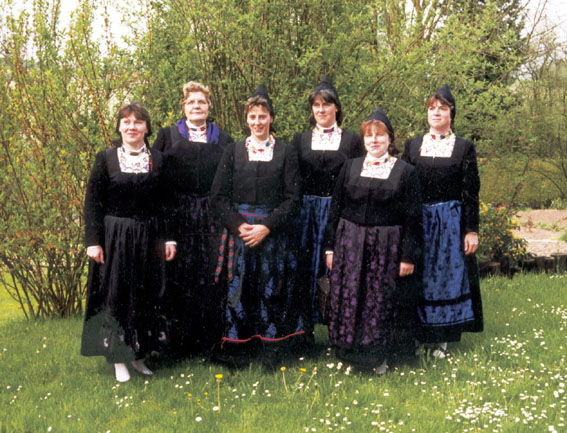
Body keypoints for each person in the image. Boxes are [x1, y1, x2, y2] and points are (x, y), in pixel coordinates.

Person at [210, 85, 306, 365]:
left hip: (273, 234)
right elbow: (218, 196)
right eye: (252, 116)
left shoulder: (286, 152)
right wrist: (239, 226)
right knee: (238, 291)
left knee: (271, 290)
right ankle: (238, 350)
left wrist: (266, 227)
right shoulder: (232, 151)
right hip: (239, 234)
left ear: (271, 118)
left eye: (262, 116)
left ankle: (271, 349)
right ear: (246, 119)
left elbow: (293, 199)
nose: (257, 122)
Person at [81, 102, 176, 382]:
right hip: (115, 239)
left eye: (137, 122)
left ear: (147, 128)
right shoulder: (106, 158)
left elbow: (167, 203)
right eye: (126, 122)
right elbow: (93, 202)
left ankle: (139, 356)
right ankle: (118, 358)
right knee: (117, 296)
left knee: (147, 296)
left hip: (150, 238)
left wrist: (169, 238)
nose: (132, 127)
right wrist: (93, 241)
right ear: (119, 127)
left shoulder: (159, 159)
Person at [324, 107, 422, 372]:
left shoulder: (405, 172)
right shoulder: (350, 166)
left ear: (390, 139)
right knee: (350, 298)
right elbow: (335, 209)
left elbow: (413, 218)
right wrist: (330, 248)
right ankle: (350, 356)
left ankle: (378, 358)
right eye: (369, 135)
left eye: (380, 135)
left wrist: (408, 256)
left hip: (386, 248)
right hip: (350, 246)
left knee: (378, 301)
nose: (374, 140)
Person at [153, 81, 234, 357]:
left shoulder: (223, 139)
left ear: (209, 106)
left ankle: (211, 343)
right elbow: (155, 177)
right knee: (179, 274)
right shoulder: (167, 136)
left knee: (211, 275)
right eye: (191, 102)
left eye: (201, 102)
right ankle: (177, 345)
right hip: (178, 215)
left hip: (212, 216)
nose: (196, 106)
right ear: (183, 107)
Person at [402, 85, 483, 358]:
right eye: (431, 108)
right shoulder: (413, 145)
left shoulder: (463, 147)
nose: (436, 112)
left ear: (452, 114)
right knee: (419, 276)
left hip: (449, 223)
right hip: (418, 222)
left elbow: (471, 193)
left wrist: (471, 230)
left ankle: (441, 340)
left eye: (442, 108)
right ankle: (417, 337)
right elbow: (400, 185)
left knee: (444, 278)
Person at [292, 76, 364, 329]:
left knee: (336, 268)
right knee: (303, 267)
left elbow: (357, 180)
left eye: (326, 104)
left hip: (337, 212)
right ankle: (303, 331)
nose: (321, 110)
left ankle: (338, 328)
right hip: (306, 214)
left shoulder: (352, 141)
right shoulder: (300, 140)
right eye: (316, 105)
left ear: (336, 108)